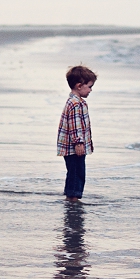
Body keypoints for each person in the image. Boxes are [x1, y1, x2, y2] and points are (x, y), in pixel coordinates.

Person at [57, 65, 96, 202]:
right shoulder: (75, 104)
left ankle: (72, 196)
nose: (91, 90)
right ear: (79, 86)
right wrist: (78, 142)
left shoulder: (77, 102)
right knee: (75, 172)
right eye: (90, 86)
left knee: (77, 171)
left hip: (74, 146)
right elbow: (75, 125)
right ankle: (72, 197)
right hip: (73, 147)